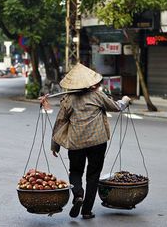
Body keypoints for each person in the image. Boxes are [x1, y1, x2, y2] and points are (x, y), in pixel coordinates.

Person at [40, 63, 130, 220]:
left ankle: (78, 195)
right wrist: (125, 100)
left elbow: (60, 122)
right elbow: (116, 107)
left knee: (75, 172)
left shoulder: (68, 99)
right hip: (98, 142)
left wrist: (55, 145)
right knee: (93, 175)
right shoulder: (97, 96)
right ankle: (87, 211)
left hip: (76, 143)